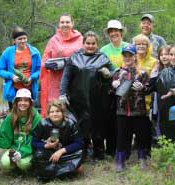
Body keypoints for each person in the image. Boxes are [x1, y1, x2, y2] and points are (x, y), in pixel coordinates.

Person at [59, 31, 114, 160]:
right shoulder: (74, 58)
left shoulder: (103, 57)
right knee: (80, 126)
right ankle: (82, 152)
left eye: (93, 43)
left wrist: (109, 74)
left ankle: (99, 152)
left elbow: (114, 72)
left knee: (98, 126)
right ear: (83, 44)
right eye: (88, 43)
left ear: (97, 44)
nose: (90, 46)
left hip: (98, 100)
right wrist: (62, 94)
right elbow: (65, 77)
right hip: (78, 100)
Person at [112, 44, 150, 172]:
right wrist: (113, 85)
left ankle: (142, 159)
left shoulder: (142, 73)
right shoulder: (117, 73)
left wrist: (143, 88)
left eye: (130, 55)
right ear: (122, 56)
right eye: (125, 55)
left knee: (141, 136)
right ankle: (120, 161)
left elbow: (149, 89)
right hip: (122, 111)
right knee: (122, 136)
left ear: (135, 56)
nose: (127, 58)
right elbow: (111, 91)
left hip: (138, 111)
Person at [40, 13, 83, 118]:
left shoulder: (80, 38)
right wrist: (53, 64)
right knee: (57, 112)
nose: (65, 24)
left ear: (72, 24)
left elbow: (86, 56)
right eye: (62, 22)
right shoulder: (53, 40)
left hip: (75, 82)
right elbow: (44, 62)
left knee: (75, 113)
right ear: (59, 24)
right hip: (57, 82)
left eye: (67, 22)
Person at [32, 100, 83, 182]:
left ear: (63, 112)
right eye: (52, 112)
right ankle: (65, 171)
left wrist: (61, 151)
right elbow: (34, 142)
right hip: (49, 153)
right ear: (48, 114)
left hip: (66, 152)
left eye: (57, 111)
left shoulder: (71, 124)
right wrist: (46, 145)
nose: (54, 114)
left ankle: (59, 170)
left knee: (79, 153)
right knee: (38, 155)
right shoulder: (42, 124)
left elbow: (79, 143)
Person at [0, 88, 41, 171]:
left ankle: (29, 164)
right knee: (5, 163)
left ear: (30, 102)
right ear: (16, 102)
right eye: (20, 100)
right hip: (14, 149)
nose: (23, 103)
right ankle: (15, 166)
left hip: (30, 150)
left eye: (26, 100)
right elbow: (6, 142)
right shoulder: (10, 117)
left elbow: (35, 139)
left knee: (23, 164)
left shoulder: (36, 117)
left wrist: (22, 153)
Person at [100, 20, 129, 156]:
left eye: (116, 30)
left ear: (121, 32)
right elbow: (99, 66)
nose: (113, 33)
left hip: (126, 88)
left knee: (123, 119)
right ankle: (111, 149)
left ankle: (123, 148)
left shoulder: (128, 46)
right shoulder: (104, 50)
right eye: (111, 31)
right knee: (110, 119)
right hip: (109, 89)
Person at [0, 26, 41, 110]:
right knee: (14, 115)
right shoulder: (7, 52)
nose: (23, 41)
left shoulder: (35, 52)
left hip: (30, 88)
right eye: (20, 39)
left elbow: (40, 70)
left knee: (29, 114)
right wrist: (12, 76)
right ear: (14, 41)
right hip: (13, 89)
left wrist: (32, 78)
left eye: (24, 38)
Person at [149, 45, 170, 138]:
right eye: (161, 55)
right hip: (159, 102)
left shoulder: (173, 70)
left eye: (166, 54)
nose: (164, 57)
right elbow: (151, 87)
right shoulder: (158, 71)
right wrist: (154, 71)